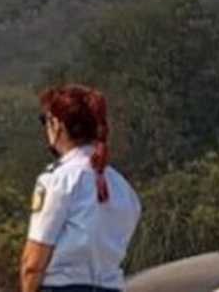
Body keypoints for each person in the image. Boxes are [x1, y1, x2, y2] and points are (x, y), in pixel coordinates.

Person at [20, 84, 141, 292]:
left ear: (57, 125)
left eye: (45, 121)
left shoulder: (58, 179)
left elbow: (33, 263)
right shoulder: (124, 189)